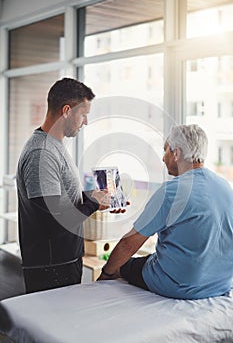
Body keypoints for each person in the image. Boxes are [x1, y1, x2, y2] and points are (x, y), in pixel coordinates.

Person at [98, 124, 233, 300]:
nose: (163, 158)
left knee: (123, 265)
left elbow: (129, 243)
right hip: (219, 284)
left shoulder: (171, 191)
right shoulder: (226, 187)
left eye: (165, 150)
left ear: (176, 153)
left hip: (178, 286)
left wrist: (105, 274)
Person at [16, 77, 111, 294]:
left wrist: (93, 197)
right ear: (67, 110)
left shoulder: (53, 146)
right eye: (83, 114)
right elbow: (54, 222)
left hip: (63, 263)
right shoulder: (42, 154)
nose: (85, 122)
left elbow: (60, 201)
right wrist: (92, 204)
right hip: (51, 269)